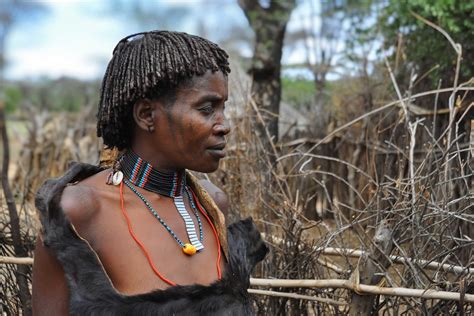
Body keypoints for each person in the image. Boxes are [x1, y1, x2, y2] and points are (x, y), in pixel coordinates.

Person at [32, 31, 234, 315]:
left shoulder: (212, 205)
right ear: (146, 115)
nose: (224, 125)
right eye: (206, 108)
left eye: (223, 108)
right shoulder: (78, 212)